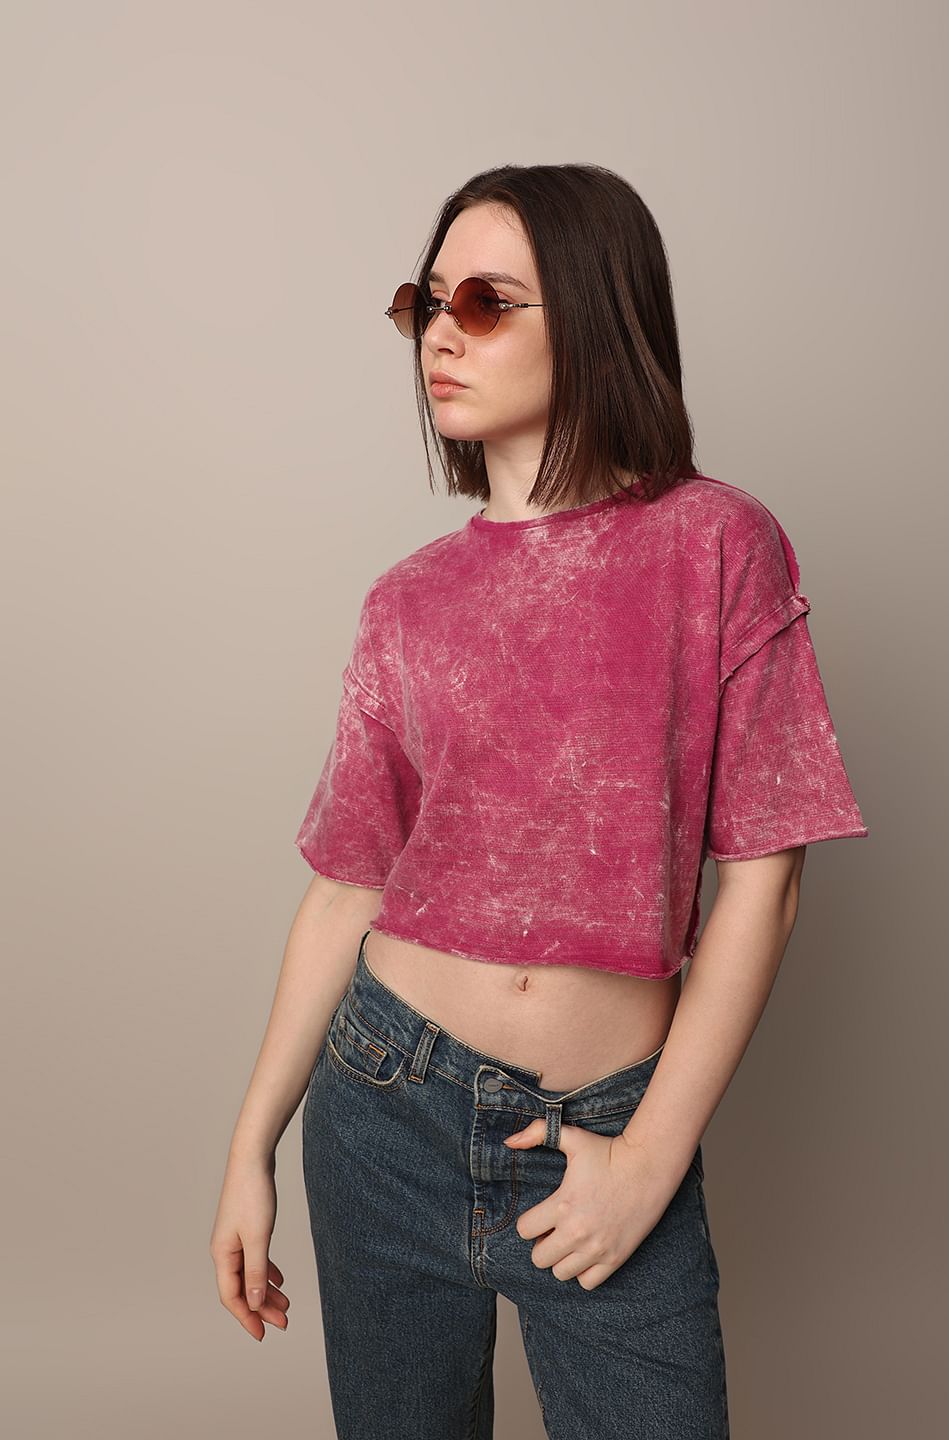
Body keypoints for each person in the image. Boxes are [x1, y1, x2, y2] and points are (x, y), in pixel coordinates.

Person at [210, 162, 869, 1439]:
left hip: (604, 1128)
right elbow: (346, 887)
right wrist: (249, 1150)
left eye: (486, 301)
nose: (440, 333)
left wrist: (651, 1160)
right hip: (381, 1107)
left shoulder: (717, 544)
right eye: (424, 302)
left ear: (598, 316)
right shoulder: (406, 600)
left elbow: (767, 883)